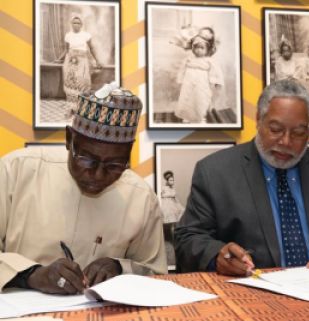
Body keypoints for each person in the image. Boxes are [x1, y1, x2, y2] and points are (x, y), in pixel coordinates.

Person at [175, 79, 309, 276]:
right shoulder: (215, 172)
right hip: (255, 293)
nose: (286, 141)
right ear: (258, 120)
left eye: (298, 132)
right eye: (275, 129)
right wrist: (217, 255)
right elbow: (188, 238)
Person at [0, 83, 167, 295]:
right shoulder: (15, 172)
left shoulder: (141, 198)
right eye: (87, 159)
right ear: (69, 139)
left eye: (114, 165)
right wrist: (29, 275)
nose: (98, 176)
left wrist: (119, 268)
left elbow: (156, 273)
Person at [55, 15, 102, 117]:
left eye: (78, 23)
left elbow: (92, 48)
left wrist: (97, 61)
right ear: (71, 24)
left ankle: (82, 109)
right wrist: (59, 58)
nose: (76, 25)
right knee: (70, 85)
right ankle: (71, 109)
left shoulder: (86, 35)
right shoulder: (68, 35)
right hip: (70, 62)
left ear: (81, 25)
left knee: (82, 84)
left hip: (82, 62)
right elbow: (66, 50)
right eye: (74, 23)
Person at [174, 29, 224, 124]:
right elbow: (182, 69)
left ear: (207, 49)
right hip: (188, 82)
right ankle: (187, 116)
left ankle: (200, 117)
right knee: (187, 98)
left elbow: (216, 71)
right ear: (193, 48)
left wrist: (216, 81)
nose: (198, 50)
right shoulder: (189, 59)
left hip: (202, 83)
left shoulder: (209, 61)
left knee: (201, 99)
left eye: (202, 48)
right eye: (196, 48)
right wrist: (180, 79)